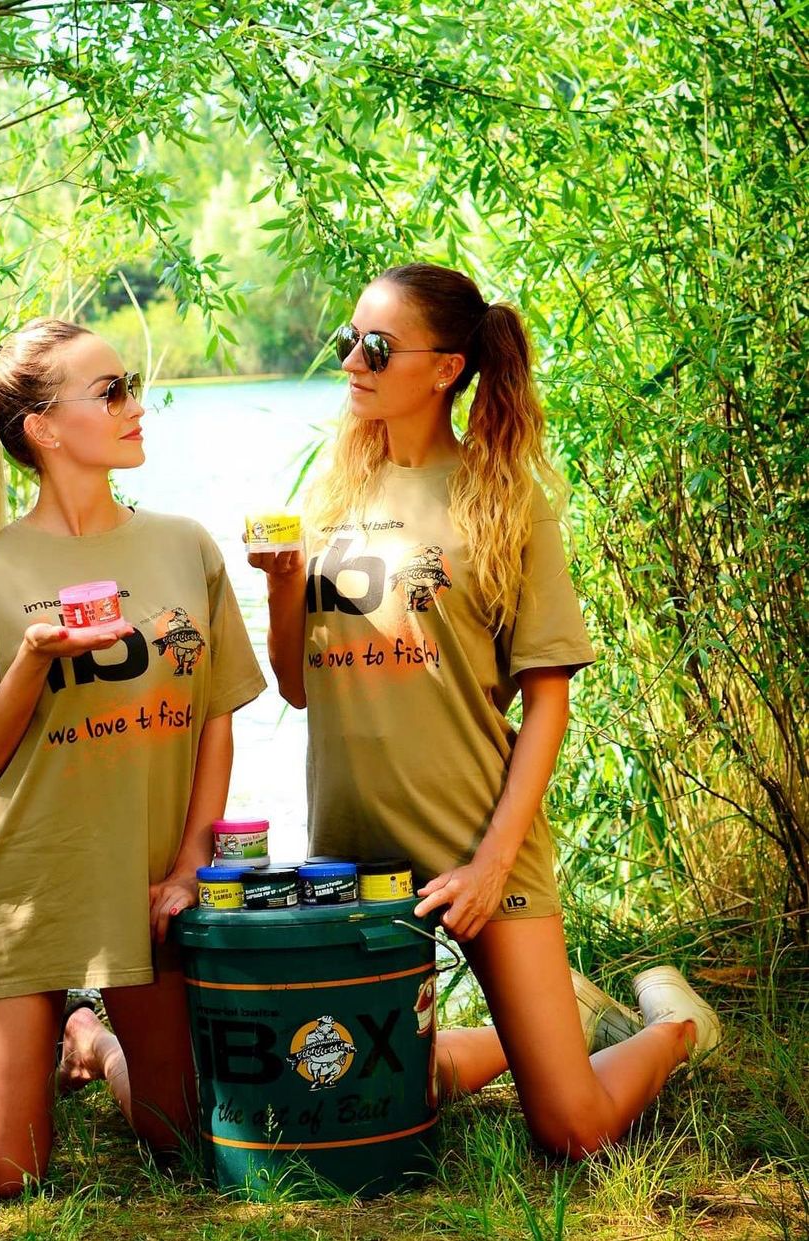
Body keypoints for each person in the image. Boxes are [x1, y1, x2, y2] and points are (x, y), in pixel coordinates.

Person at [251, 264, 721, 1157]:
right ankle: (556, 1017)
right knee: (362, 1086)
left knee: (573, 1127)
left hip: (475, 840)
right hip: (351, 851)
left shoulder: (501, 500)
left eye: (375, 347)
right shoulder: (336, 495)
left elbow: (547, 702)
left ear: (445, 368)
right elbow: (300, 685)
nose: (349, 361)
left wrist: (488, 862)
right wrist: (281, 588)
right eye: (346, 341)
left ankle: (672, 1025)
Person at [0, 318, 265, 1196]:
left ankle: (88, 1039)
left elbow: (214, 715)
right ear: (44, 429)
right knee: (8, 1169)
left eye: (131, 385)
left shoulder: (185, 544)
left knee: (180, 1137)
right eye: (111, 391)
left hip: (145, 889)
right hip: (31, 884)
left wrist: (190, 866)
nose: (136, 405)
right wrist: (32, 658)